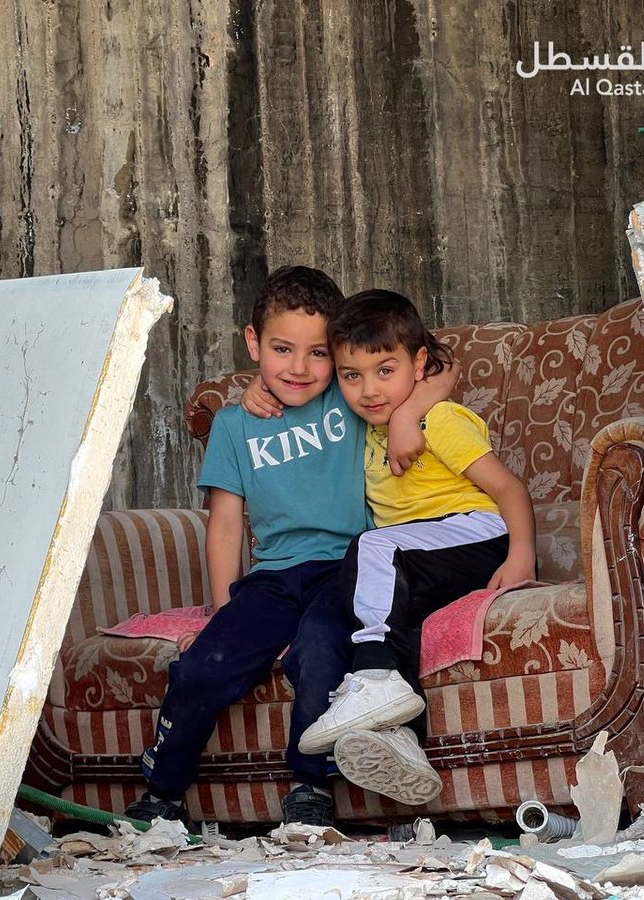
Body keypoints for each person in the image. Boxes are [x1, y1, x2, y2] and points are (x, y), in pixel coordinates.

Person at [125, 268, 454, 828]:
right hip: (274, 578)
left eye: (318, 353)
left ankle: (310, 785)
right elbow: (226, 524)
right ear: (253, 343)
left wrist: (403, 415)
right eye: (282, 349)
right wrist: (225, 605)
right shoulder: (233, 425)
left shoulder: (351, 400)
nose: (299, 368)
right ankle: (163, 792)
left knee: (321, 650)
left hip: (348, 570)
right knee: (205, 665)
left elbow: (443, 368)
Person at [294, 288, 536, 806]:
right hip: (420, 558)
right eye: (351, 375)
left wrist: (522, 557)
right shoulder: (361, 429)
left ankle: (376, 676)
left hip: (476, 534)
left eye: (386, 370)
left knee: (374, 550)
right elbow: (295, 381)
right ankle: (402, 739)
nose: (368, 390)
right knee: (378, 605)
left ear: (417, 363)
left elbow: (509, 489)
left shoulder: (438, 421)